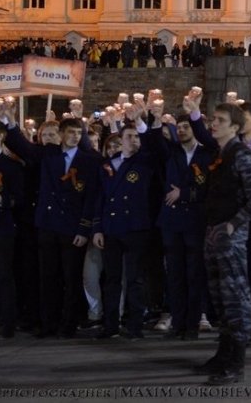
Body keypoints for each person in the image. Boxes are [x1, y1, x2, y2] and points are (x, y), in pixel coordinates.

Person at [3, 103, 102, 339]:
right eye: (70, 132)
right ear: (60, 135)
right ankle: (49, 324)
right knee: (48, 277)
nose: (75, 137)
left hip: (72, 227)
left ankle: (68, 324)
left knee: (70, 277)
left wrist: (84, 228)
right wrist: (11, 121)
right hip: (47, 224)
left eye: (78, 133)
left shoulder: (89, 160)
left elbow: (91, 197)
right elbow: (22, 147)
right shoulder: (48, 153)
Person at [195, 101, 251, 385]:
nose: (213, 123)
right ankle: (223, 353)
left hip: (230, 238)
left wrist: (234, 223)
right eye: (213, 118)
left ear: (235, 128)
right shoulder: (221, 154)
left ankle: (236, 361)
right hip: (214, 234)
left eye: (220, 120)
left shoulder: (240, 155)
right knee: (220, 298)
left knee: (235, 298)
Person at [92, 107, 162, 340]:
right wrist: (97, 228)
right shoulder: (108, 164)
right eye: (129, 136)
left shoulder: (146, 161)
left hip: (136, 227)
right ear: (120, 140)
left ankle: (134, 325)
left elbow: (157, 147)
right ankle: (111, 325)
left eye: (136, 136)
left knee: (135, 279)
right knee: (112, 279)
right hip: (112, 229)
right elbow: (99, 198)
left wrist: (141, 123)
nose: (133, 140)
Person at [153, 111, 214, 341]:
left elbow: (210, 189)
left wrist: (185, 193)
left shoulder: (207, 154)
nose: (181, 131)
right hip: (172, 223)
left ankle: (192, 324)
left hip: (196, 222)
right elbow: (155, 141)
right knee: (175, 275)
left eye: (186, 127)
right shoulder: (171, 152)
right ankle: (177, 323)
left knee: (194, 275)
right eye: (178, 127)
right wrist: (155, 120)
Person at [0, 122, 25, 339]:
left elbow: (19, 198)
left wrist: (3, 199)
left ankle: (7, 323)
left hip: (3, 228)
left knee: (4, 276)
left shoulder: (11, 166)